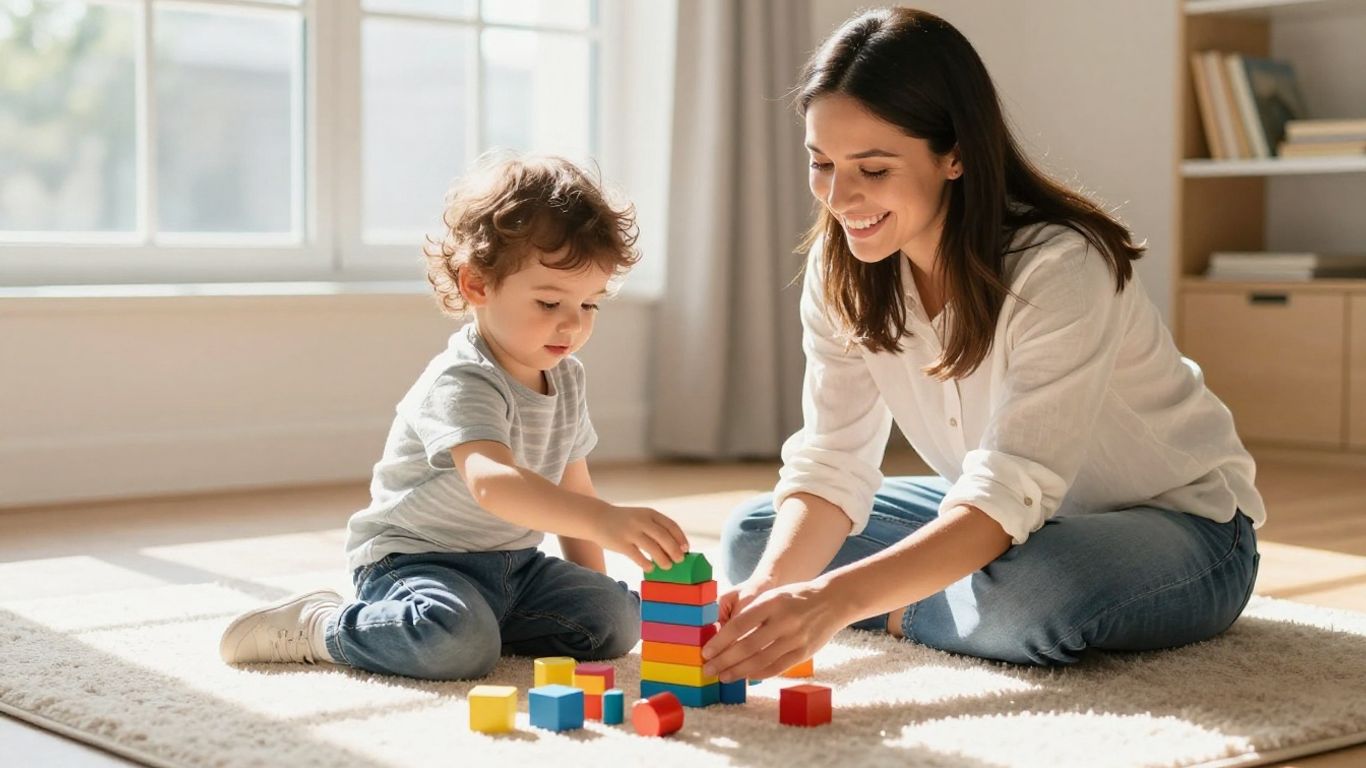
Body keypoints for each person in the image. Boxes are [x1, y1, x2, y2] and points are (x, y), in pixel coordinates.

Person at [700, 7, 1264, 682]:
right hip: (1000, 509)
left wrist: (834, 600)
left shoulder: (1059, 266)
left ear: (956, 154)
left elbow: (1007, 492)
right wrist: (770, 593)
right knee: (755, 536)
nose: (840, 196)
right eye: (822, 163)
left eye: (873, 169)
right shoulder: (840, 267)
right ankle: (945, 602)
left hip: (1182, 528)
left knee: (1038, 591)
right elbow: (831, 464)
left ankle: (910, 607)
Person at [220, 153, 690, 680]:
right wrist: (606, 521)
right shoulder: (462, 378)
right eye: (549, 302)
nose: (572, 325)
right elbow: (492, 484)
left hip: (516, 566)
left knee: (615, 622)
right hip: (416, 561)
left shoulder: (567, 378)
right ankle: (322, 625)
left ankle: (485, 625)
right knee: (454, 643)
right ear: (477, 286)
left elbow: (573, 493)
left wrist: (599, 588)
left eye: (589, 305)